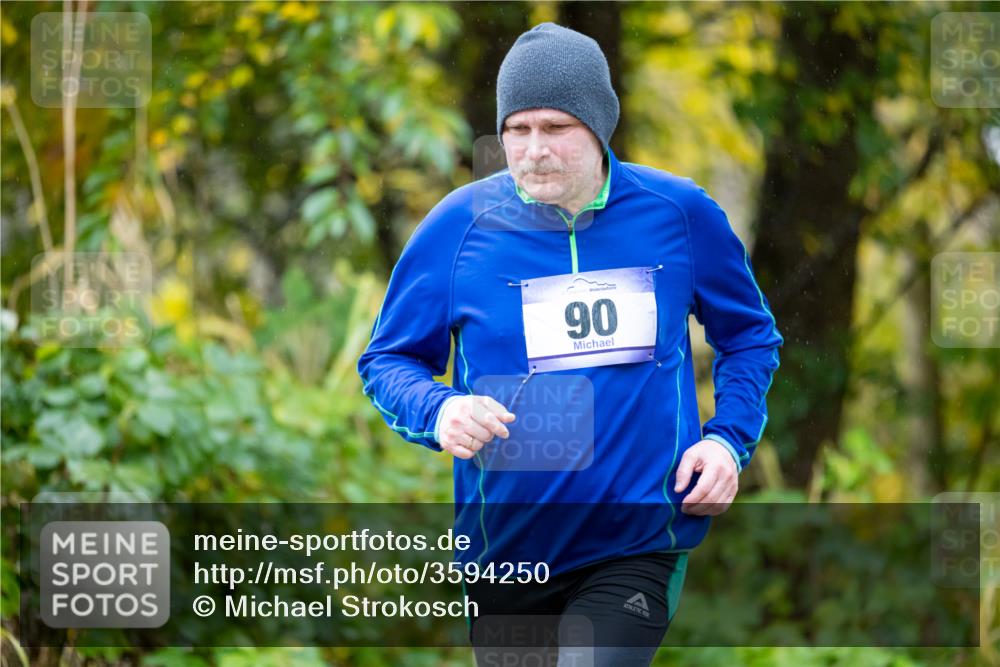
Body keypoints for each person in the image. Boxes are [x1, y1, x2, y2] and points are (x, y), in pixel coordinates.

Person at [357, 21, 783, 666]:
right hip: (506, 553)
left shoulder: (678, 214)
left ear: (600, 126)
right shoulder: (458, 227)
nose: (534, 150)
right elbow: (388, 360)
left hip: (636, 541)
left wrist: (728, 439)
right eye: (517, 130)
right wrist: (438, 410)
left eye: (556, 128)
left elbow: (750, 335)